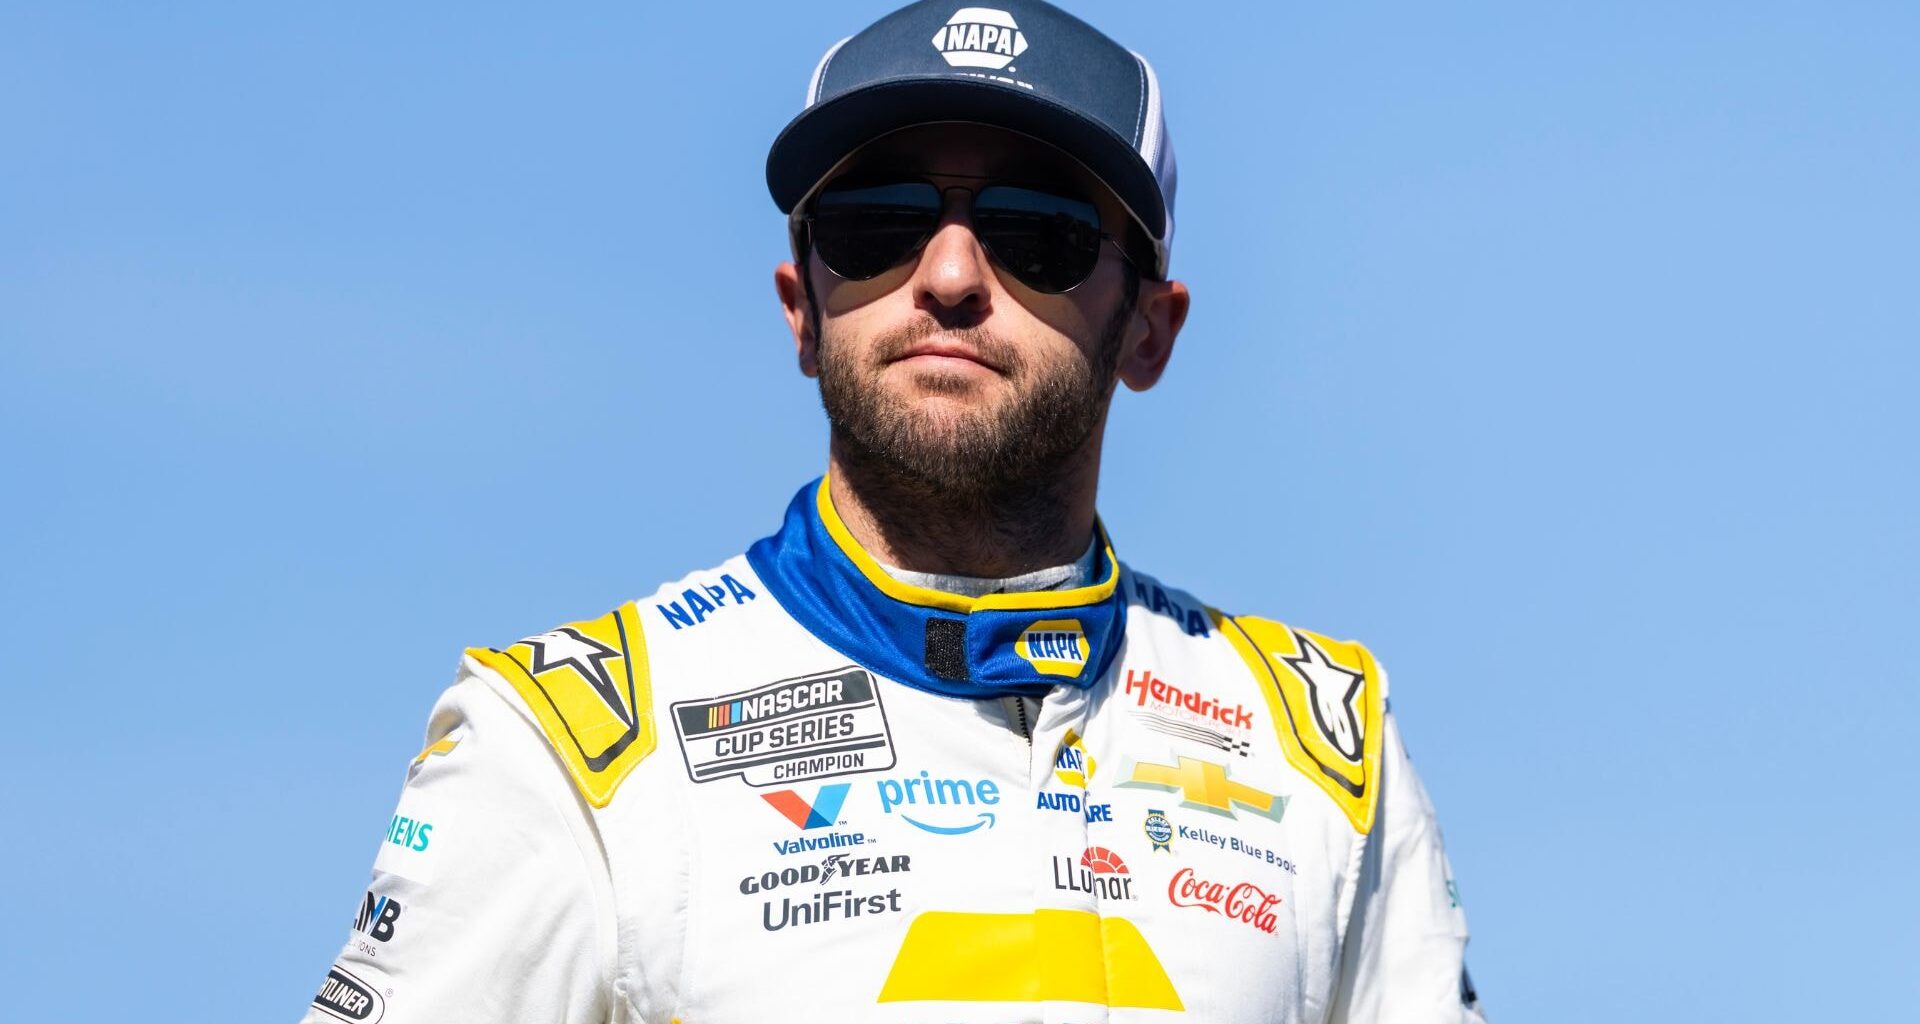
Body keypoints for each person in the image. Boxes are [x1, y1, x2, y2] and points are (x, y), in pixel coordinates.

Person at [302, 2, 1485, 1022]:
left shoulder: (1325, 751)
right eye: (877, 220)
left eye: (1039, 233)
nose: (952, 276)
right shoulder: (569, 746)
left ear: (1150, 331)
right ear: (800, 308)